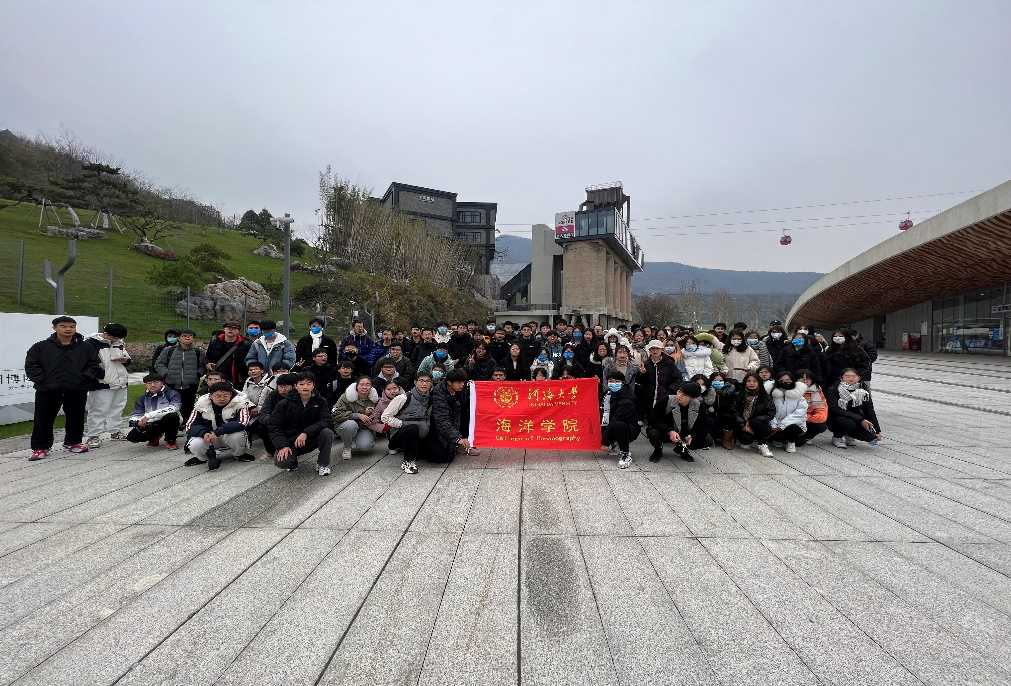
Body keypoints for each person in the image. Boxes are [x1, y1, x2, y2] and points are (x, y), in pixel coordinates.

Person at [24, 316, 104, 460]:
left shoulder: (85, 347)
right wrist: (43, 380)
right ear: (54, 328)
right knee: (43, 419)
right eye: (63, 326)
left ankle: (73, 443)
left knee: (76, 417)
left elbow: (93, 364)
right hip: (48, 389)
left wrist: (83, 378)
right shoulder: (41, 347)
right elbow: (31, 365)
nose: (68, 329)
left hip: (76, 388)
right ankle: (41, 447)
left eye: (72, 326)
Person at [268, 372, 336, 475]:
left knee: (327, 433)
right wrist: (282, 446)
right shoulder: (283, 404)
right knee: (282, 462)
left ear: (313, 385)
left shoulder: (320, 401)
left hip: (311, 438)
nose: (305, 387)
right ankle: (292, 462)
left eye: (309, 383)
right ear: (295, 386)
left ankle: (323, 464)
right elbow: (274, 426)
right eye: (301, 384)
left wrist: (306, 433)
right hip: (291, 440)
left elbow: (326, 420)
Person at [184, 381, 252, 470]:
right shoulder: (201, 404)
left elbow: (243, 422)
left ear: (231, 394)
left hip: (228, 435)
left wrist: (218, 432)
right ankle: (202, 458)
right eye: (218, 396)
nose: (222, 399)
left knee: (238, 436)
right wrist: (204, 433)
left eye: (225, 395)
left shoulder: (240, 403)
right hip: (209, 436)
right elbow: (190, 425)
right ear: (210, 396)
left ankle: (239, 454)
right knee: (195, 443)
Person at [84, 322, 132, 448]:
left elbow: (128, 360)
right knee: (99, 409)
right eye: (115, 337)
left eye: (119, 338)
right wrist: (102, 376)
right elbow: (89, 364)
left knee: (117, 408)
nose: (117, 340)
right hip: (102, 383)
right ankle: (93, 435)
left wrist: (125, 360)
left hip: (120, 382)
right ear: (106, 334)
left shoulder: (119, 342)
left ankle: (115, 431)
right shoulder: (91, 344)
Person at [382, 372, 436, 475]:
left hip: (420, 435)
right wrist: (402, 424)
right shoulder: (403, 398)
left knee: (439, 455)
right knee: (412, 428)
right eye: (421, 381)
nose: (424, 384)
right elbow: (385, 417)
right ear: (415, 382)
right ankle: (408, 461)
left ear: (431, 383)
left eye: (427, 381)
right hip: (399, 435)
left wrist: (426, 427)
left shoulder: (429, 399)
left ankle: (415, 451)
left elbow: (428, 417)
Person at [646, 381, 710, 462]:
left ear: (693, 398)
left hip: (685, 434)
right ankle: (658, 449)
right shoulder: (666, 400)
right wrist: (669, 431)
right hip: (665, 432)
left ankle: (682, 448)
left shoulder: (698, 406)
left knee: (707, 440)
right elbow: (654, 419)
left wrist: (693, 435)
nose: (679, 396)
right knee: (653, 433)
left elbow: (704, 425)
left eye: (684, 395)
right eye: (679, 391)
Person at [155, 328, 206, 425]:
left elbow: (203, 366)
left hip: (191, 384)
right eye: (184, 336)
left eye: (190, 336)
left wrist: (198, 374)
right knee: (171, 406)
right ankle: (172, 425)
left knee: (188, 406)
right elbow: (159, 364)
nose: (187, 338)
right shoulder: (168, 350)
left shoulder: (199, 352)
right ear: (179, 338)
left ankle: (186, 424)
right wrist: (166, 374)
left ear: (193, 338)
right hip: (172, 383)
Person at [825, 368, 882, 448]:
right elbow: (834, 409)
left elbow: (869, 410)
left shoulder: (863, 391)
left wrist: (877, 430)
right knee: (849, 424)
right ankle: (837, 437)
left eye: (854, 376)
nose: (851, 379)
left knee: (871, 436)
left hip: (855, 418)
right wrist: (860, 420)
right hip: (837, 417)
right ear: (841, 378)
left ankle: (848, 434)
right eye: (847, 376)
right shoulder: (833, 390)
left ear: (859, 378)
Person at [430, 369, 477, 463]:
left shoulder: (462, 388)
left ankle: (463, 443)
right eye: (459, 383)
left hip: (457, 420)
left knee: (468, 413)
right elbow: (441, 421)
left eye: (463, 382)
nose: (462, 385)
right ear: (449, 383)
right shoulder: (439, 394)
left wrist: (473, 386)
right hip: (438, 427)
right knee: (444, 456)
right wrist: (457, 438)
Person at [126, 373, 182, 449]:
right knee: (132, 437)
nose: (152, 385)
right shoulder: (142, 399)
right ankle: (154, 437)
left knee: (172, 417)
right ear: (145, 385)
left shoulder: (172, 394)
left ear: (162, 383)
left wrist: (149, 416)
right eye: (149, 383)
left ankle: (170, 440)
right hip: (151, 423)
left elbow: (174, 407)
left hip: (167, 421)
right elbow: (135, 414)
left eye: (156, 382)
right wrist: (138, 421)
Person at [331, 376, 380, 459]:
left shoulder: (374, 399)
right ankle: (347, 447)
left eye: (368, 384)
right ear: (357, 386)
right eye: (362, 384)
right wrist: (357, 415)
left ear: (371, 387)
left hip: (363, 427)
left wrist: (372, 420)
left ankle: (360, 438)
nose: (364, 387)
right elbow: (335, 414)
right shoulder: (346, 396)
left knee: (365, 447)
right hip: (345, 425)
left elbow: (379, 414)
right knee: (351, 425)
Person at [251, 373, 296, 460]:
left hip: (292, 423)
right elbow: (263, 413)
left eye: (286, 387)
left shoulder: (297, 395)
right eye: (280, 387)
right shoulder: (273, 395)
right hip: (274, 421)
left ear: (293, 386)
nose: (283, 390)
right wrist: (274, 421)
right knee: (260, 428)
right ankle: (271, 451)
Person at [637, 340, 683, 423]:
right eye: (652, 348)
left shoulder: (669, 364)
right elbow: (640, 382)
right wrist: (642, 374)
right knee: (651, 422)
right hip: (649, 399)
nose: (655, 351)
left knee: (664, 421)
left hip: (665, 397)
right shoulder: (645, 364)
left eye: (657, 348)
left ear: (662, 349)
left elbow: (678, 379)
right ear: (649, 350)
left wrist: (669, 390)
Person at [600, 371, 640, 469]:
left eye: (617, 381)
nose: (613, 384)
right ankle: (615, 443)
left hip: (628, 428)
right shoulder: (608, 394)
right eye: (611, 381)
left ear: (623, 383)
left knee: (618, 424)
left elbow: (615, 420)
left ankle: (625, 453)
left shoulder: (627, 400)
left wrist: (605, 442)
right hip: (612, 423)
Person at [733, 372, 776, 457]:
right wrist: (743, 425)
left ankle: (762, 444)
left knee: (754, 421)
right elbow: (734, 411)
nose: (751, 383)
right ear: (745, 382)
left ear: (759, 382)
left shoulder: (765, 397)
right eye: (749, 381)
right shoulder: (739, 395)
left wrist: (752, 421)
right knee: (746, 440)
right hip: (743, 425)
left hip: (760, 425)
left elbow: (771, 413)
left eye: (754, 381)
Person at [768, 371, 808, 453]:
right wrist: (774, 425)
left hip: (792, 424)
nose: (785, 382)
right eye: (782, 380)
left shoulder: (798, 396)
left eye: (788, 380)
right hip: (775, 426)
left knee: (799, 439)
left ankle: (791, 442)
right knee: (779, 437)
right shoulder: (771, 395)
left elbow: (799, 413)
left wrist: (783, 424)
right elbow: (768, 411)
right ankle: (778, 439)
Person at [205, 321, 251, 386]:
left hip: (238, 379)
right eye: (228, 327)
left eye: (234, 328)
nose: (230, 330)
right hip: (217, 377)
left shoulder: (245, 345)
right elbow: (207, 357)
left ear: (238, 331)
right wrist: (207, 363)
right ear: (224, 329)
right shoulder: (214, 343)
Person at [703, 372, 738, 450]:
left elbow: (732, 407)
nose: (718, 382)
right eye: (715, 380)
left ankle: (727, 440)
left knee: (728, 417)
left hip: (723, 418)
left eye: (721, 380)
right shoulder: (707, 391)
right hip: (711, 416)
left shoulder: (729, 392)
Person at [797, 368, 828, 444]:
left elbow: (822, 411)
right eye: (802, 379)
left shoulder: (817, 391)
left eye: (808, 379)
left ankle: (807, 437)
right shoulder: (791, 391)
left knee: (821, 426)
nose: (805, 381)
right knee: (798, 442)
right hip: (793, 419)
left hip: (808, 418)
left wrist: (807, 418)